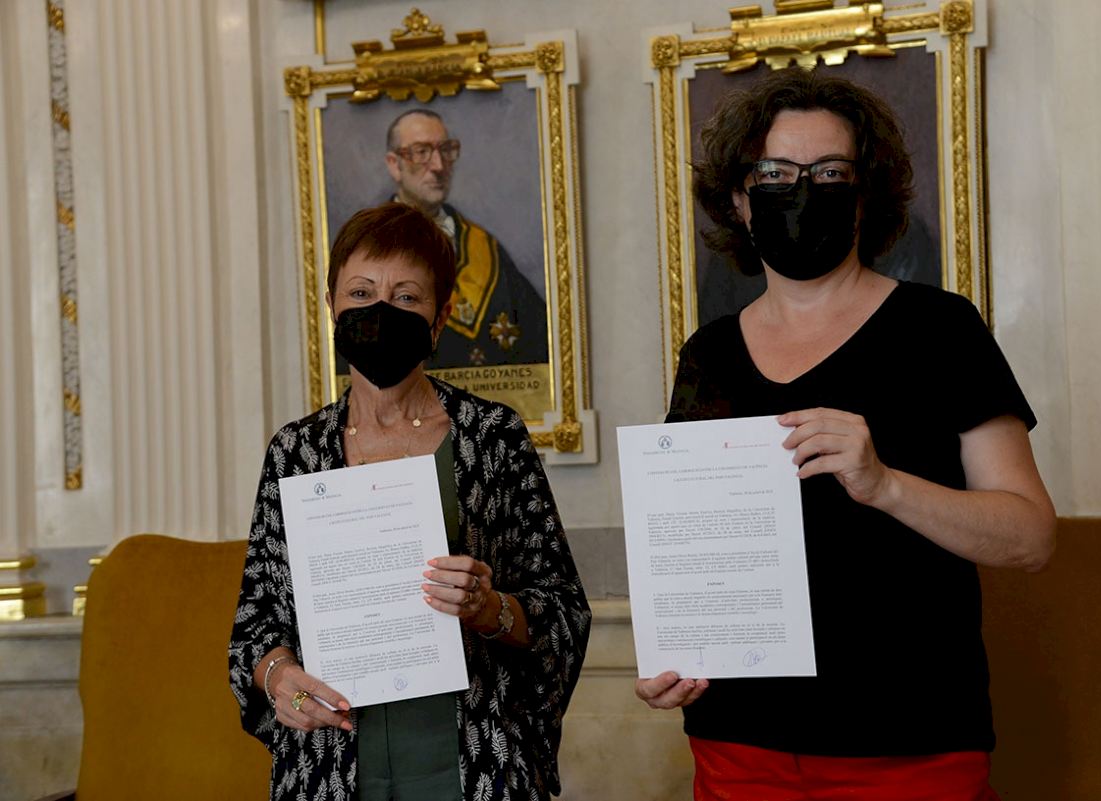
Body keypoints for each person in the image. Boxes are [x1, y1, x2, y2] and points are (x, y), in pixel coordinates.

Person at [635, 68, 1056, 800]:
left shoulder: (941, 328)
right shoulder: (709, 354)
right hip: (739, 741)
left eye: (830, 172)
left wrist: (886, 484)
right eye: (774, 173)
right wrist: (673, 651)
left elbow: (1031, 537)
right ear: (739, 199)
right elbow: (693, 546)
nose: (801, 191)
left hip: (909, 740)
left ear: (866, 194)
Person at [228, 202, 590, 800]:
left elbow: (561, 609)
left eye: (406, 297)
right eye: (361, 293)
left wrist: (487, 607)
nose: (380, 312)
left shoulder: (492, 437)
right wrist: (279, 679)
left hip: (473, 755)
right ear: (331, 306)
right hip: (331, 761)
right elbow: (256, 624)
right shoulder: (295, 451)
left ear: (441, 316)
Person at [384, 109, 549, 368]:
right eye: (421, 152)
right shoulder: (369, 246)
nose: (438, 166)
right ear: (395, 165)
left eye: (445, 150)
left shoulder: (485, 247)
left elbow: (542, 344)